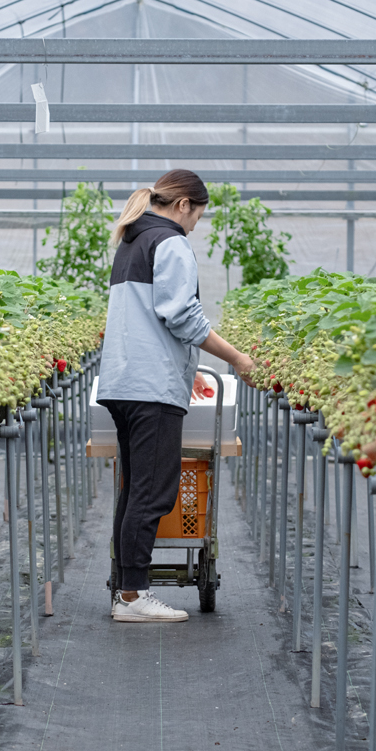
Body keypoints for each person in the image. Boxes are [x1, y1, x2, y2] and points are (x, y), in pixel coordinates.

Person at [97, 169, 258, 623]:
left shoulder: (133, 241)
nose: (195, 226)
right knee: (153, 492)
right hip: (150, 387)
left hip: (125, 382)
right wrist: (237, 358)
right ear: (184, 204)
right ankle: (132, 597)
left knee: (136, 490)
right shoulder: (168, 241)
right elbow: (182, 317)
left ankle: (127, 591)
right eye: (198, 216)